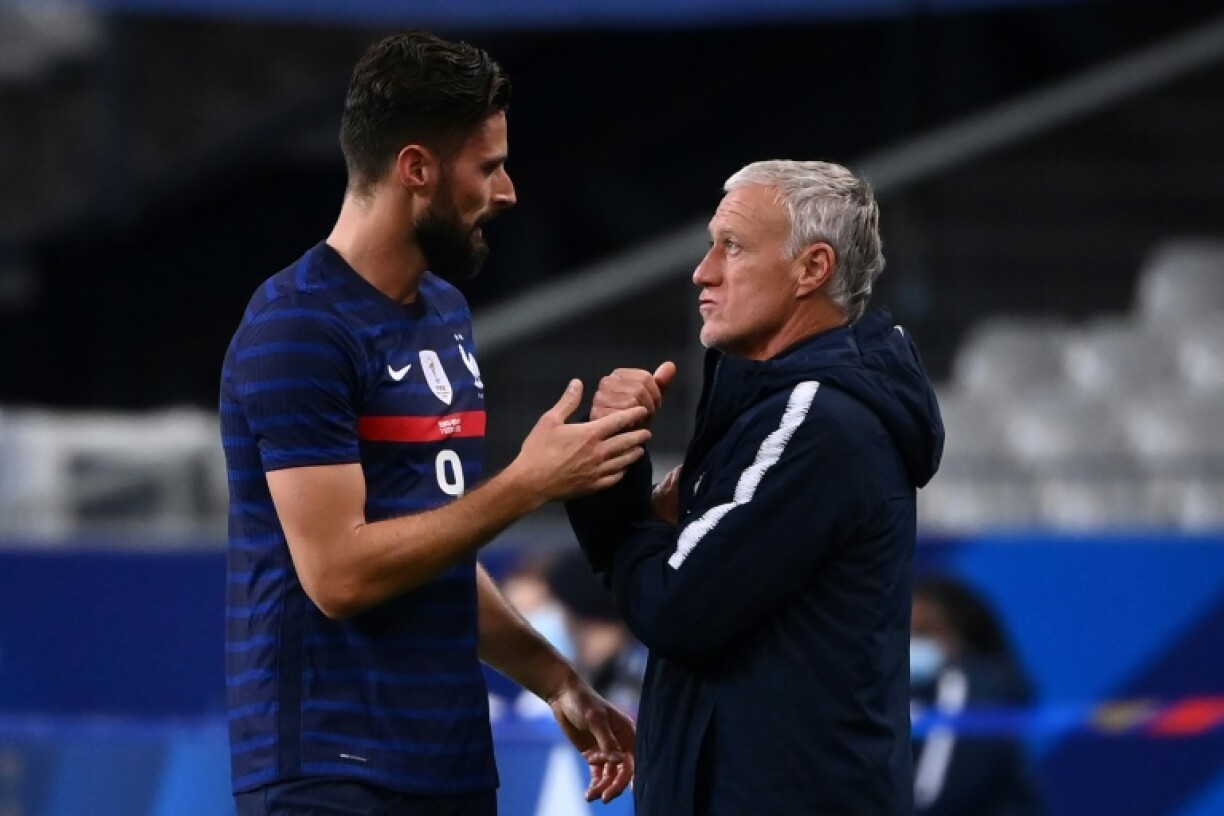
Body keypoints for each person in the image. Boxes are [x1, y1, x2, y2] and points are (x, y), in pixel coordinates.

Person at [219, 30, 647, 816]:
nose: (509, 190)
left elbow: (434, 541)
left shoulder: (444, 312)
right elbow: (339, 576)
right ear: (416, 169)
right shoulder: (298, 329)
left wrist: (557, 681)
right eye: (488, 167)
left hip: (449, 760)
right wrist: (527, 485)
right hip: (330, 769)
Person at [566, 159, 945, 814]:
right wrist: (618, 464)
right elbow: (661, 580)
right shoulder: (763, 407)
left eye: (732, 246)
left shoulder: (816, 421)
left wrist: (630, 507)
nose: (703, 270)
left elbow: (676, 605)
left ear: (812, 269)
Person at [910, 574, 1047, 816]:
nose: (911, 643)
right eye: (905, 630)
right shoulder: (906, 691)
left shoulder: (973, 689)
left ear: (960, 636)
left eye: (926, 632)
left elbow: (935, 794)